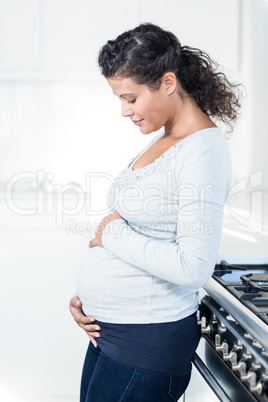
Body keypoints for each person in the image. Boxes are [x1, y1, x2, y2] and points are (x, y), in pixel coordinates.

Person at [70, 23, 242, 402]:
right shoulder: (165, 140)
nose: (123, 110)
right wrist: (93, 300)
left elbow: (192, 267)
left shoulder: (202, 153)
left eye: (130, 98)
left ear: (167, 83)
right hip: (112, 333)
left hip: (145, 343)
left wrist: (111, 235)